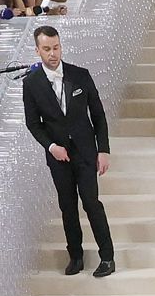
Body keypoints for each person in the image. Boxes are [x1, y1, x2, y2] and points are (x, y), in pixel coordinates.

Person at [21, 23, 114, 277]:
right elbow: (33, 124)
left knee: (91, 203)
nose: (53, 54)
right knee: (67, 206)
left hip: (85, 151)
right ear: (37, 51)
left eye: (56, 47)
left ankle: (107, 256)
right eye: (47, 49)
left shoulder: (80, 75)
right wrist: (51, 147)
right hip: (59, 157)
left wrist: (103, 149)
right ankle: (75, 255)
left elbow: (98, 114)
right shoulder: (31, 83)